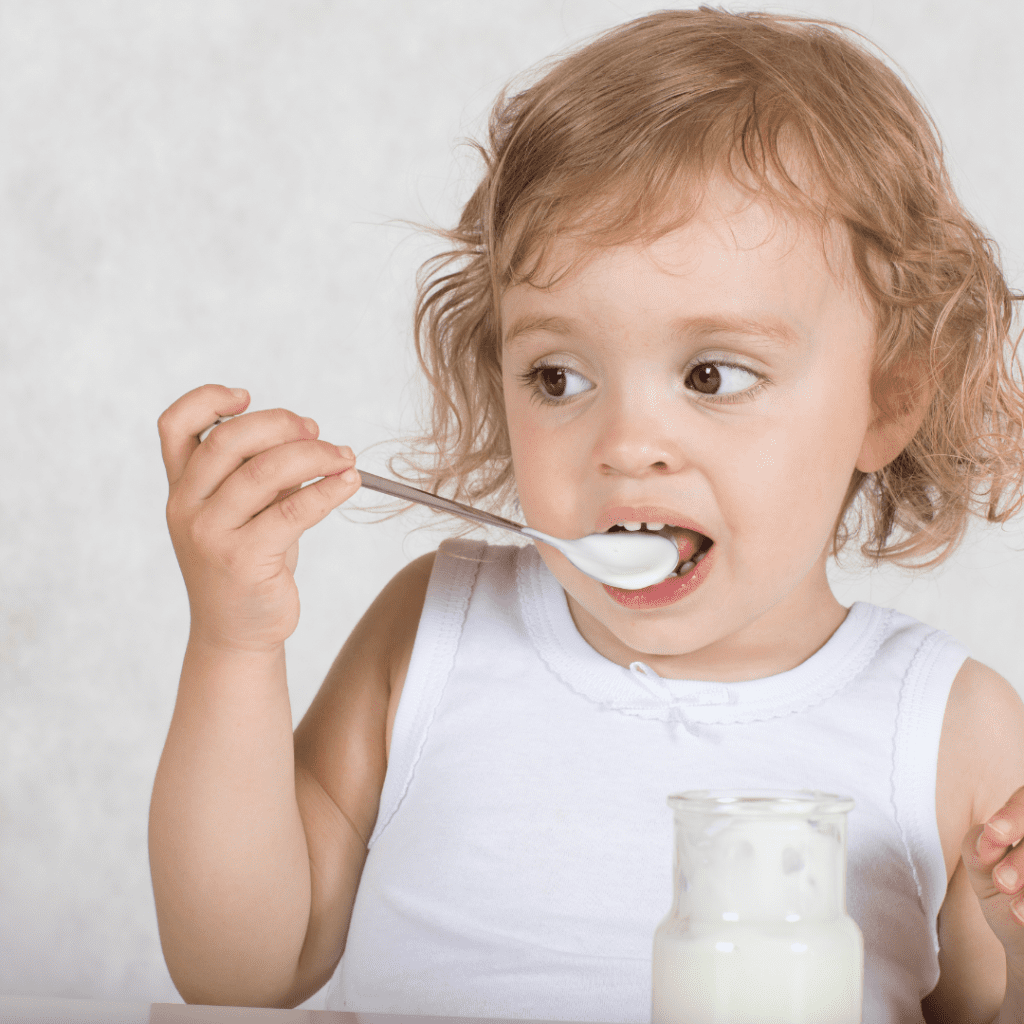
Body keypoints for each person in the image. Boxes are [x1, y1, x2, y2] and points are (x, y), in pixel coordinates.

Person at [150, 8, 1024, 1023]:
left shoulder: (950, 728)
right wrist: (234, 639)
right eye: (557, 375)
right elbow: (239, 971)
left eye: (711, 372)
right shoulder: (436, 629)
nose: (622, 440)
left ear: (886, 399)